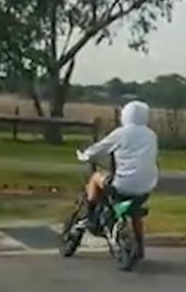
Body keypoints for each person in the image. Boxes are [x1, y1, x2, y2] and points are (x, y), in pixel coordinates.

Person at [75, 100, 159, 258]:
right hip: (146, 187)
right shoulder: (151, 135)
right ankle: (139, 246)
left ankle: (91, 213)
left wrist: (85, 155)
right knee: (136, 214)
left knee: (96, 178)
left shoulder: (121, 133)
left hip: (121, 184)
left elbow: (100, 148)